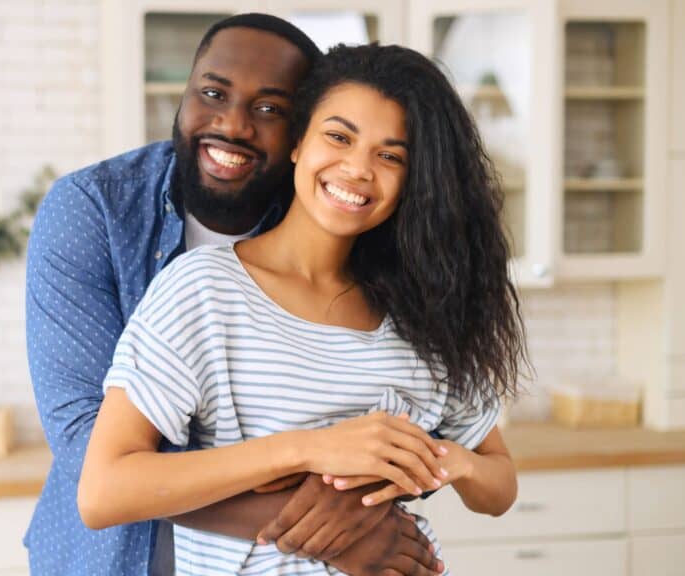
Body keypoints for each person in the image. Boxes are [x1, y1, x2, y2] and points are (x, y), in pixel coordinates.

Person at [77, 43, 528, 575]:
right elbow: (104, 493)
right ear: (298, 143)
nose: (359, 169)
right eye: (339, 137)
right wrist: (309, 450)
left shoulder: (425, 309)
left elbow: (498, 488)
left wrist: (444, 462)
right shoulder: (205, 291)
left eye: (391, 156)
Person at [26, 14, 442, 576]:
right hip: (112, 555)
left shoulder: (326, 211)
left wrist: (357, 493)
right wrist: (328, 532)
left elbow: (403, 405)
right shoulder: (93, 208)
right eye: (212, 93)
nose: (232, 125)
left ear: (302, 132)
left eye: (270, 109)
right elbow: (89, 450)